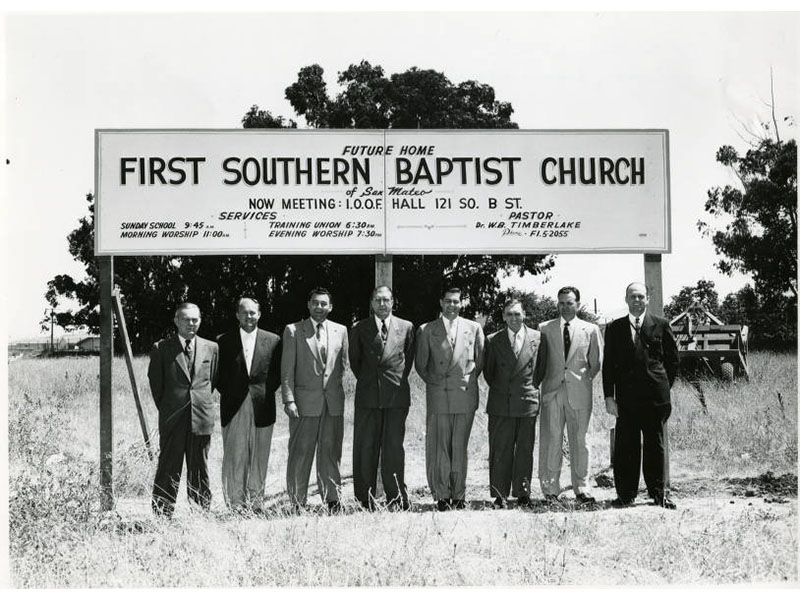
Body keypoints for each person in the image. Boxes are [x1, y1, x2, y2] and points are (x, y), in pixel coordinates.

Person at [603, 282, 679, 509]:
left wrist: (663, 387)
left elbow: (672, 361)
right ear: (626, 299)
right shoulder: (614, 327)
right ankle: (626, 495)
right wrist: (609, 396)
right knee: (626, 446)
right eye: (632, 297)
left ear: (648, 299)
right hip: (626, 400)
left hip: (655, 398)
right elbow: (608, 365)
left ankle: (658, 494)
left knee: (655, 445)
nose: (636, 301)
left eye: (640, 297)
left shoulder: (661, 324)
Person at [415, 287, 485, 511]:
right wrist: (437, 383)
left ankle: (459, 494)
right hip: (439, 394)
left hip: (464, 394)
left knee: (459, 446)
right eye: (448, 301)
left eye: (456, 302)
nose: (452, 305)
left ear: (461, 303)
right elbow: (421, 365)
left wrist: (464, 380)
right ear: (440, 302)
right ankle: (443, 494)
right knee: (440, 447)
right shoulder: (427, 329)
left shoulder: (474, 328)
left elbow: (480, 362)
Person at [281, 287, 349, 513]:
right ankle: (297, 501)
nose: (319, 307)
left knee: (330, 452)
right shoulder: (293, 330)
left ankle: (332, 499)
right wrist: (289, 400)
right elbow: (287, 370)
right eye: (315, 303)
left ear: (331, 307)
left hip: (332, 404)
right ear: (308, 305)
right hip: (303, 404)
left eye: (324, 304)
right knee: (301, 453)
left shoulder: (341, 330)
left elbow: (343, 367)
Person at [147, 302, 219, 517]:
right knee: (169, 465)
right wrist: (171, 408)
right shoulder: (162, 348)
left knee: (199, 467)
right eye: (186, 319)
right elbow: (156, 385)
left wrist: (198, 404)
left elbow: (211, 381)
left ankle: (200, 512)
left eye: (195, 319)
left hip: (201, 417)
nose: (191, 323)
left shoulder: (211, 348)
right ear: (176, 321)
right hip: (173, 418)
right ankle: (162, 512)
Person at [349, 285, 416, 511]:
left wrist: (390, 382)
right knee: (365, 448)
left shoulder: (406, 327)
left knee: (393, 449)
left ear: (393, 302)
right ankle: (364, 500)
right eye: (378, 300)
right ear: (371, 303)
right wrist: (373, 383)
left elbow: (407, 361)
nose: (382, 304)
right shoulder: (359, 327)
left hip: (396, 397)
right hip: (368, 397)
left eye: (386, 300)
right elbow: (355, 362)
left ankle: (396, 498)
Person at [538, 286, 604, 506]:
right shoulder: (544, 329)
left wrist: (581, 381)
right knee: (552, 440)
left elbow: (596, 363)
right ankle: (550, 489)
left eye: (570, 302)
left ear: (578, 304)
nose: (565, 307)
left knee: (581, 441)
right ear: (557, 304)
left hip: (579, 393)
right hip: (552, 393)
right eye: (562, 303)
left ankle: (582, 488)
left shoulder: (591, 329)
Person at [216, 297, 282, 513]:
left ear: (259, 314)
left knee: (259, 455)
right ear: (237, 315)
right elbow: (219, 376)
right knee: (235, 455)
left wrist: (261, 392)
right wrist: (234, 391)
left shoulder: (273, 340)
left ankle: (255, 503)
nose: (249, 316)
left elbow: (276, 375)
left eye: (253, 312)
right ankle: (235, 503)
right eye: (244, 312)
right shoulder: (223, 341)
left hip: (262, 405)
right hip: (234, 405)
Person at [482, 298, 545, 509]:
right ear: (503, 317)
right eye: (509, 314)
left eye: (517, 314)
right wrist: (505, 389)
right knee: (500, 449)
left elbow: (540, 370)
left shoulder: (537, 338)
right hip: (501, 401)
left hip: (527, 401)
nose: (513, 318)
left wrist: (528, 388)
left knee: (525, 449)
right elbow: (489, 373)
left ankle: (523, 493)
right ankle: (500, 494)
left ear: (524, 314)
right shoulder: (492, 339)